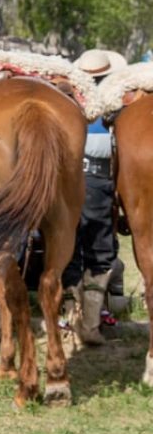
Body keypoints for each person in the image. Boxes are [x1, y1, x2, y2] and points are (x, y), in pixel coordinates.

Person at [66, 48, 126, 345]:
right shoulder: (113, 109)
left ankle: (67, 322)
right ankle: (89, 325)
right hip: (99, 182)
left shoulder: (67, 104)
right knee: (99, 252)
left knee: (66, 248)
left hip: (67, 181)